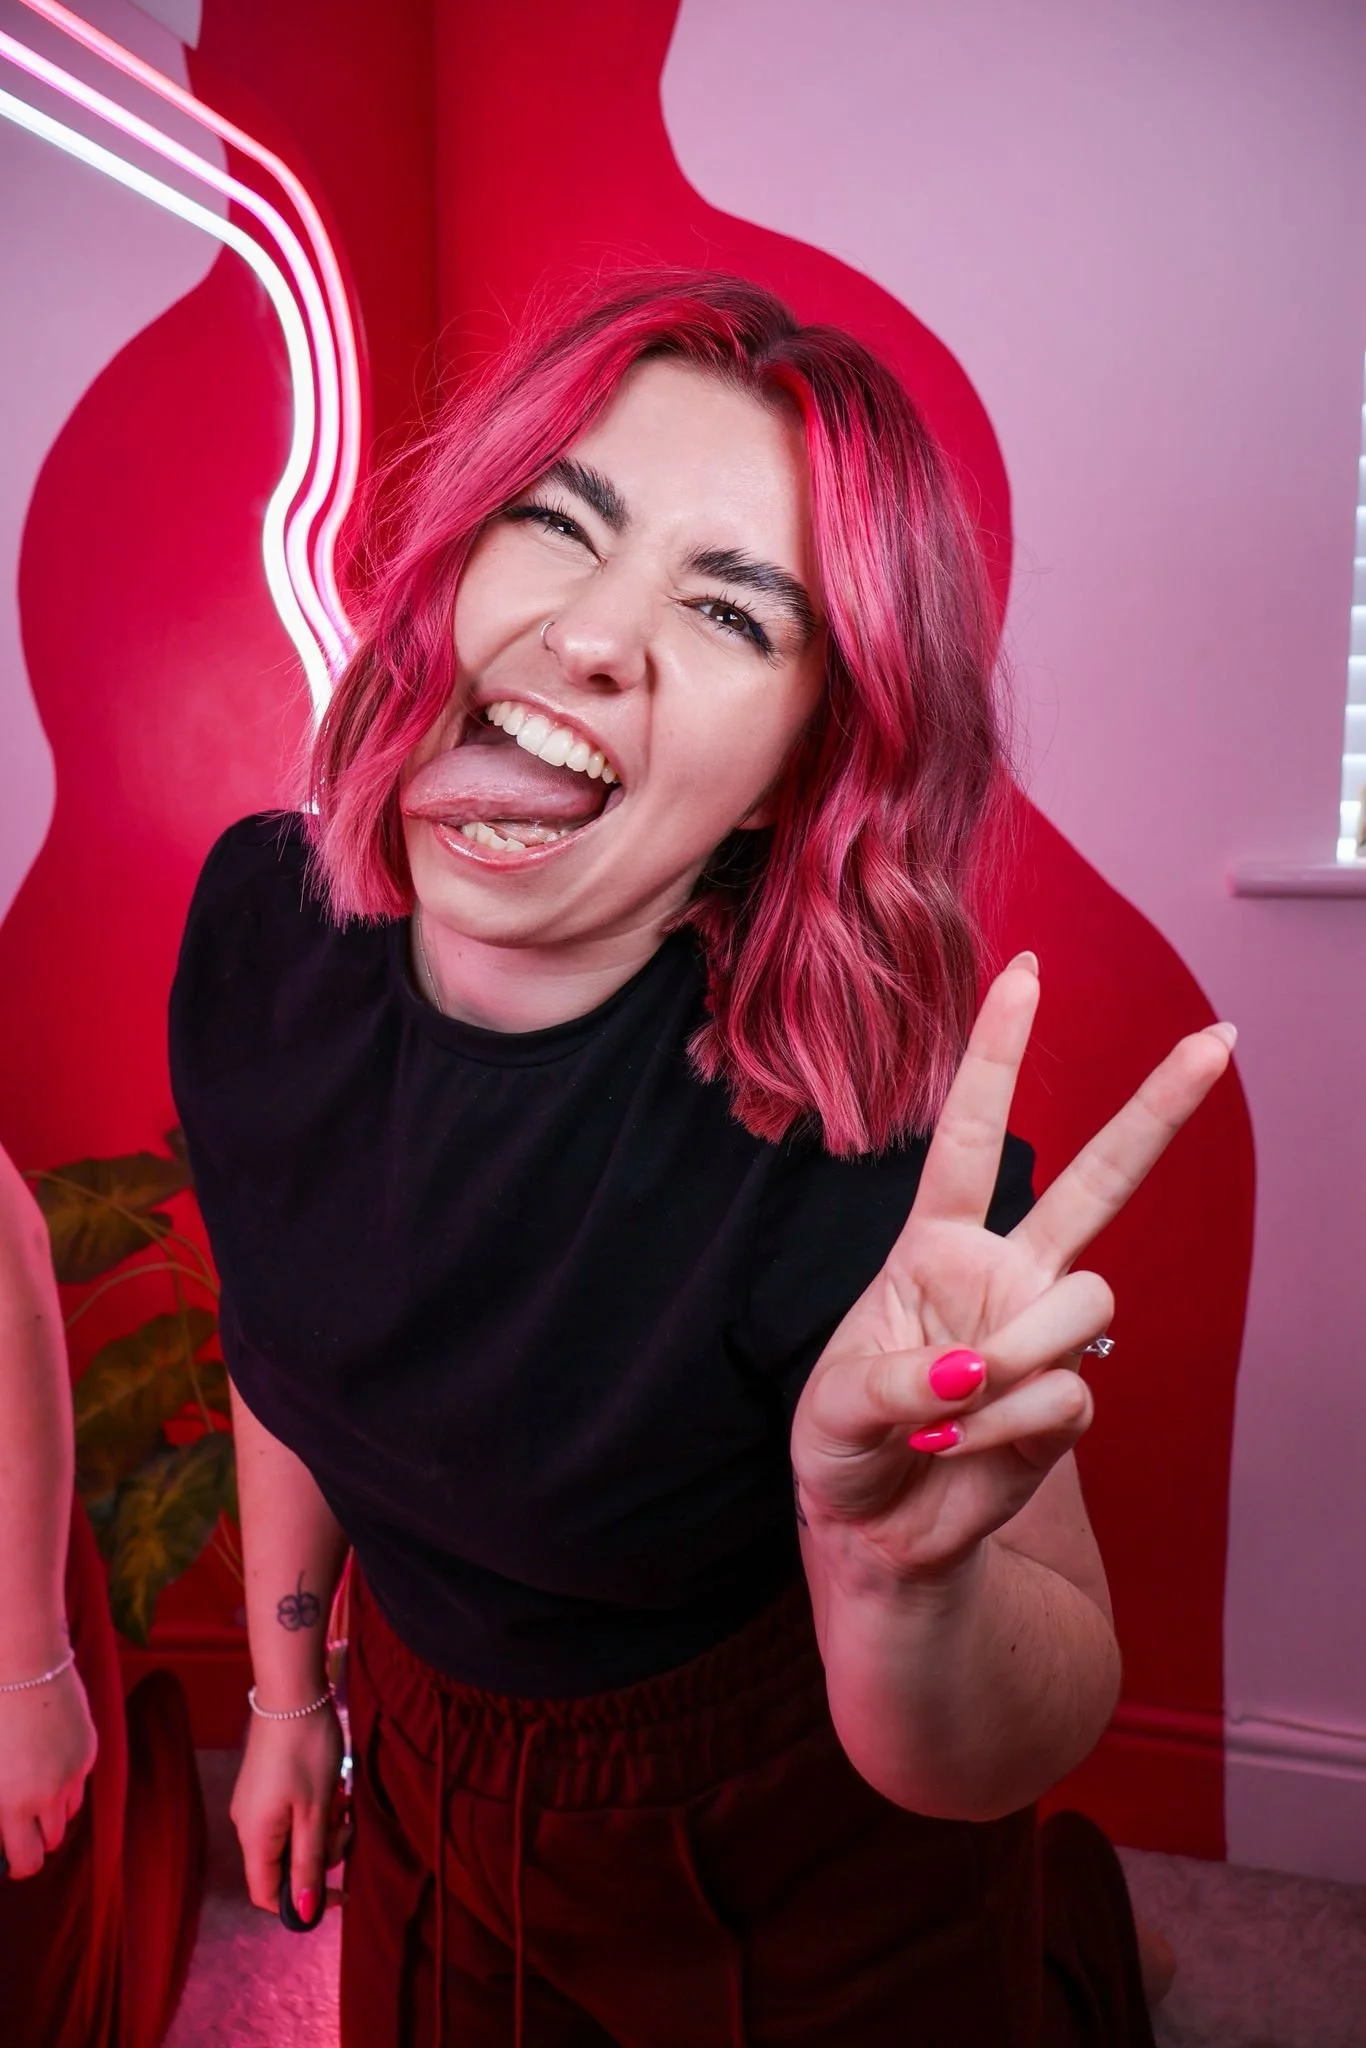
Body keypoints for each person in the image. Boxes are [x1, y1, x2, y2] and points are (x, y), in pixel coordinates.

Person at [170, 272, 1223, 2047]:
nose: (592, 634)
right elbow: (282, 1348)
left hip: (771, 1833)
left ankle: (1081, 1950)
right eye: (556, 523)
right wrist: (292, 1698)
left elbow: (1006, 1734)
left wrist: (896, 1583)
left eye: (731, 610)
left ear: (798, 770)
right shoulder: (258, 928)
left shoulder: (847, 1158)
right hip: (428, 1741)